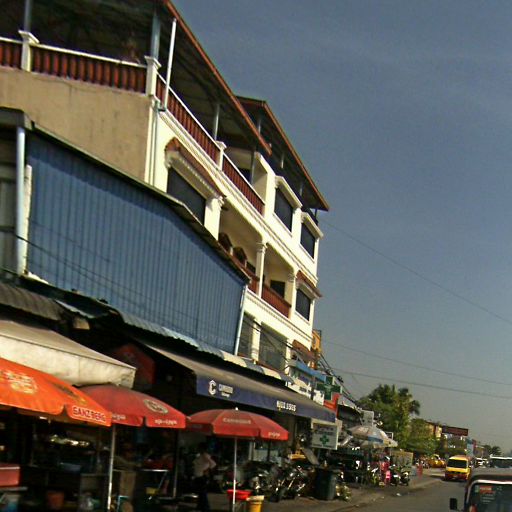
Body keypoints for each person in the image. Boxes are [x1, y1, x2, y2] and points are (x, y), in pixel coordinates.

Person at [193, 443, 216, 512]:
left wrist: (206, 470)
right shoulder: (200, 455)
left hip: (201, 476)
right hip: (198, 475)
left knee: (202, 493)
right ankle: (200, 506)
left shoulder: (205, 455)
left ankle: (206, 508)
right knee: (200, 493)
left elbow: (213, 464)